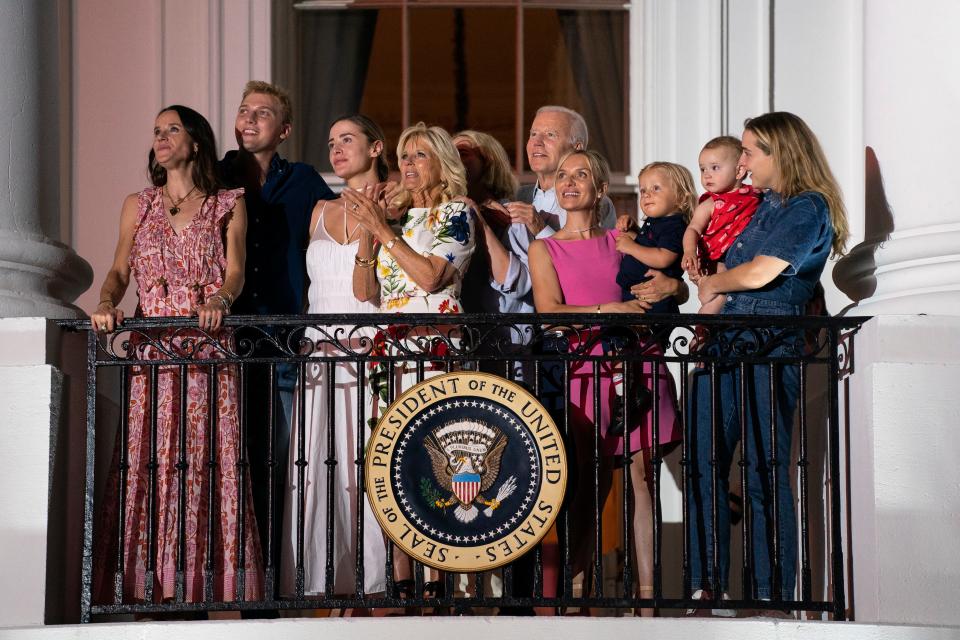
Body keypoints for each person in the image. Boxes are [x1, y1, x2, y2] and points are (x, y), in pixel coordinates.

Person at [90, 105, 262, 602]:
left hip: (207, 348)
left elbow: (235, 271)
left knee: (208, 457)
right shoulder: (138, 204)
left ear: (195, 143)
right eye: (157, 131)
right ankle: (151, 585)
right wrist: (107, 303)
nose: (162, 138)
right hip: (154, 352)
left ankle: (211, 586)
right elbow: (120, 269)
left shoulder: (228, 202)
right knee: (150, 456)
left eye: (173, 130)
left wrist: (221, 300)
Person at [684, 112, 849, 616]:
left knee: (763, 468)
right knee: (703, 463)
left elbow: (763, 271)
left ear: (783, 152)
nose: (745, 162)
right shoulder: (760, 207)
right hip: (723, 345)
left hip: (768, 344)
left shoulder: (807, 206)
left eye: (752, 151)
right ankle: (705, 585)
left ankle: (769, 592)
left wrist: (713, 284)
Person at [528, 149, 683, 615]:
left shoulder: (624, 238)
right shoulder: (545, 247)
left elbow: (668, 282)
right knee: (588, 483)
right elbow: (548, 315)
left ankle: (648, 597)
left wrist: (675, 289)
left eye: (582, 174)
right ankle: (577, 595)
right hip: (585, 370)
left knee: (643, 478)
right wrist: (605, 311)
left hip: (639, 361)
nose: (570, 181)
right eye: (562, 175)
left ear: (600, 189)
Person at [345, 122, 477, 599]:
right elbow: (364, 292)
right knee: (392, 465)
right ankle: (402, 577)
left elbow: (430, 279)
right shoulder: (396, 222)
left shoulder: (456, 215)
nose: (408, 164)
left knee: (436, 459)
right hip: (391, 356)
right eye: (404, 156)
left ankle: (439, 578)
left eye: (419, 155)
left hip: (434, 352)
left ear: (442, 164)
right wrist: (369, 233)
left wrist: (383, 230)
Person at [218, 80, 336, 581]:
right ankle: (234, 572)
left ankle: (274, 576)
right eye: (244, 110)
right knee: (232, 458)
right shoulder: (218, 175)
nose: (249, 119)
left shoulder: (305, 179)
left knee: (282, 460)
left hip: (285, 338)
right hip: (227, 338)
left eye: (262, 113)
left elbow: (343, 221)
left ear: (283, 129)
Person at [279, 115, 391, 599]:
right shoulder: (318, 210)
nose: (337, 149)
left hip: (372, 349)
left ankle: (380, 580)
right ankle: (325, 579)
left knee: (371, 463)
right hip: (321, 351)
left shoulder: (396, 204)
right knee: (322, 463)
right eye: (331, 143)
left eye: (348, 139)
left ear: (377, 147)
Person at [681, 136, 762, 314]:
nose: (706, 174)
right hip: (717, 260)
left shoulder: (756, 195)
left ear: (740, 171)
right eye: (702, 169)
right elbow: (693, 228)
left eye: (715, 168)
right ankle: (701, 335)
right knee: (714, 301)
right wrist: (689, 251)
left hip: (748, 261)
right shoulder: (710, 203)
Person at [452, 130, 519, 316]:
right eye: (450, 154)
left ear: (488, 161)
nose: (454, 160)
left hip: (501, 333)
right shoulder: (447, 212)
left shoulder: (511, 214)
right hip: (456, 331)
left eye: (463, 153)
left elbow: (516, 283)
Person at [616, 161, 695, 314]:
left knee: (645, 337)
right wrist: (633, 229)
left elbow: (663, 258)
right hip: (638, 296)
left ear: (680, 197)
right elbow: (651, 245)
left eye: (656, 188)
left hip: (656, 302)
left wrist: (631, 247)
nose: (646, 194)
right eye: (643, 190)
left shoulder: (675, 225)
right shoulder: (658, 221)